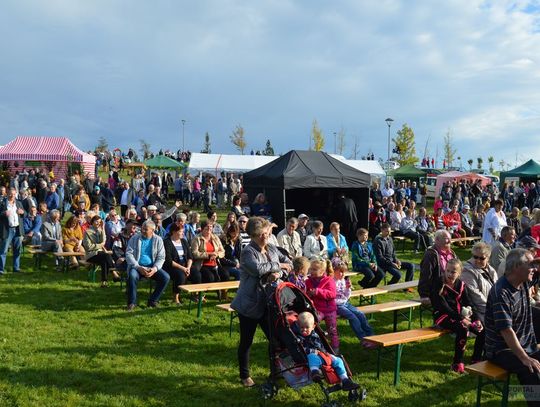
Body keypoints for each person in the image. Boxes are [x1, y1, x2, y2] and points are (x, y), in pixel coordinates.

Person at [230, 216, 292, 387]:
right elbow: (257, 269)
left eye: (266, 233)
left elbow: (288, 262)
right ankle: (244, 376)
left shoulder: (271, 248)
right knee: (247, 341)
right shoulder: (248, 252)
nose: (265, 236)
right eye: (260, 235)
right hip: (249, 304)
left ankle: (277, 371)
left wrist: (279, 273)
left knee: (276, 339)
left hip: (269, 302)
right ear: (253, 235)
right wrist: (278, 266)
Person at [485, 249, 540, 406]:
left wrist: (536, 262)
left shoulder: (523, 281)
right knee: (530, 370)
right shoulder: (501, 292)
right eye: (530, 265)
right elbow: (506, 330)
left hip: (525, 344)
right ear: (516, 267)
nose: (534, 269)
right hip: (501, 350)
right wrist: (525, 358)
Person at [431, 259, 484, 373]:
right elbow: (442, 306)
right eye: (448, 271)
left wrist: (476, 319)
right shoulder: (439, 283)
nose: (450, 274)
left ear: (459, 273)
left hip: (459, 316)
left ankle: (476, 358)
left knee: (482, 330)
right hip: (442, 316)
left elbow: (468, 302)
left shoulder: (461, 285)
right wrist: (462, 319)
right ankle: (457, 363)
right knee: (463, 328)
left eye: (453, 272)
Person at [294, 311, 359, 391]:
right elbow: (300, 349)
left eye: (307, 327)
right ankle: (315, 372)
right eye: (301, 327)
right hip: (311, 356)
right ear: (298, 326)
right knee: (312, 357)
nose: (304, 330)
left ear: (313, 326)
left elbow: (321, 346)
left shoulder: (315, 334)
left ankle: (345, 380)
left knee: (338, 360)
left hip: (323, 354)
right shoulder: (299, 337)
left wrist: (326, 353)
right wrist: (312, 351)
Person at [125, 220, 170, 310]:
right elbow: (128, 254)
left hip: (152, 267)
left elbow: (161, 257)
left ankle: (153, 300)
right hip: (137, 267)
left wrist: (154, 269)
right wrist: (138, 267)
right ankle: (132, 302)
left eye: (146, 229)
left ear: (152, 230)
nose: (143, 231)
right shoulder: (134, 238)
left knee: (165, 277)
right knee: (132, 276)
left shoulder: (158, 240)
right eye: (142, 228)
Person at [333, 258, 375, 348]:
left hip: (345, 302)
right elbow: (332, 297)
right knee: (353, 318)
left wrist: (348, 289)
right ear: (334, 271)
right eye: (340, 272)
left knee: (360, 314)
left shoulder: (343, 280)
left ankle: (372, 336)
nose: (342, 274)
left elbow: (346, 296)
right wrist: (341, 300)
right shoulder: (331, 281)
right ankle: (363, 339)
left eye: (344, 272)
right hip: (337, 305)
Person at [305, 258, 340, 353]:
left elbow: (332, 294)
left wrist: (317, 292)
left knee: (332, 330)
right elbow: (306, 294)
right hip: (317, 309)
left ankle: (335, 349)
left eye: (314, 269)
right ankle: (315, 345)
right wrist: (308, 294)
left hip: (329, 310)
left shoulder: (329, 280)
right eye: (311, 269)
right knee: (312, 325)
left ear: (322, 271)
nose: (311, 271)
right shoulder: (308, 281)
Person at [461, 242, 498, 325]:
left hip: (493, 309)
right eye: (475, 257)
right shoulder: (467, 271)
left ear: (488, 258)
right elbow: (476, 297)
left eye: (482, 258)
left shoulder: (491, 270)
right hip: (479, 313)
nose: (478, 260)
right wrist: (494, 311)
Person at [419, 230, 456, 305]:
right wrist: (424, 295)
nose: (450, 241)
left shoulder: (451, 253)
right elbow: (426, 275)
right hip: (439, 291)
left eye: (450, 238)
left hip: (453, 288)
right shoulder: (431, 254)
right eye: (447, 239)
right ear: (437, 240)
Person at [83, 215, 118, 287]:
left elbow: (103, 241)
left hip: (101, 254)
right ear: (92, 222)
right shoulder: (87, 232)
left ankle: (104, 282)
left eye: (99, 222)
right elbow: (88, 247)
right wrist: (100, 245)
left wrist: (103, 229)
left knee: (104, 261)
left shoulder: (100, 230)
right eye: (96, 221)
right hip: (91, 254)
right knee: (106, 255)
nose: (98, 223)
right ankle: (114, 273)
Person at [162, 222, 193, 304]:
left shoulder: (184, 241)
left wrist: (188, 268)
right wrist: (183, 269)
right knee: (180, 275)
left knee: (197, 274)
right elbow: (168, 260)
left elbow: (190, 257)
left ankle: (195, 295)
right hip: (172, 267)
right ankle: (175, 297)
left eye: (183, 231)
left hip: (185, 265)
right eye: (181, 231)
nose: (183, 233)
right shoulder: (167, 242)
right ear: (174, 232)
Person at [190, 220, 227, 285]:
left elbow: (223, 251)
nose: (209, 229)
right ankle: (204, 290)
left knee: (225, 274)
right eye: (207, 227)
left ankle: (223, 291)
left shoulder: (215, 237)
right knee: (210, 278)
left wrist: (216, 254)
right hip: (202, 265)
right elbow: (194, 253)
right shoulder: (197, 239)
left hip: (215, 264)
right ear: (202, 229)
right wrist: (209, 255)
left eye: (211, 227)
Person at [0, 188, 25, 274]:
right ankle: (1, 269)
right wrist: (3, 213)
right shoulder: (2, 203)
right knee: (3, 250)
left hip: (17, 229)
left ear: (16, 194)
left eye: (14, 194)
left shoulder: (19, 203)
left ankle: (16, 268)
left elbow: (25, 214)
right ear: (7, 194)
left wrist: (22, 212)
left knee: (17, 250)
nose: (12, 196)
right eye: (10, 194)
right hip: (7, 229)